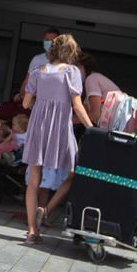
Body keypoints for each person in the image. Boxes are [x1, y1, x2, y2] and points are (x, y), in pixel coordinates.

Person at [22, 34, 93, 244]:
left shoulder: (37, 72)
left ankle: (32, 232)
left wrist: (42, 101)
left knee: (34, 181)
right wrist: (91, 128)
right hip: (60, 128)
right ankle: (46, 209)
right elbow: (77, 105)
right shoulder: (71, 72)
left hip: (38, 128)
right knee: (73, 173)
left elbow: (26, 104)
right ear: (71, 53)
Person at [78, 52, 122, 125]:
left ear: (83, 66)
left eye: (76, 67)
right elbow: (84, 113)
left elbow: (95, 114)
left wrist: (70, 121)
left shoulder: (91, 79)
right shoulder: (93, 80)